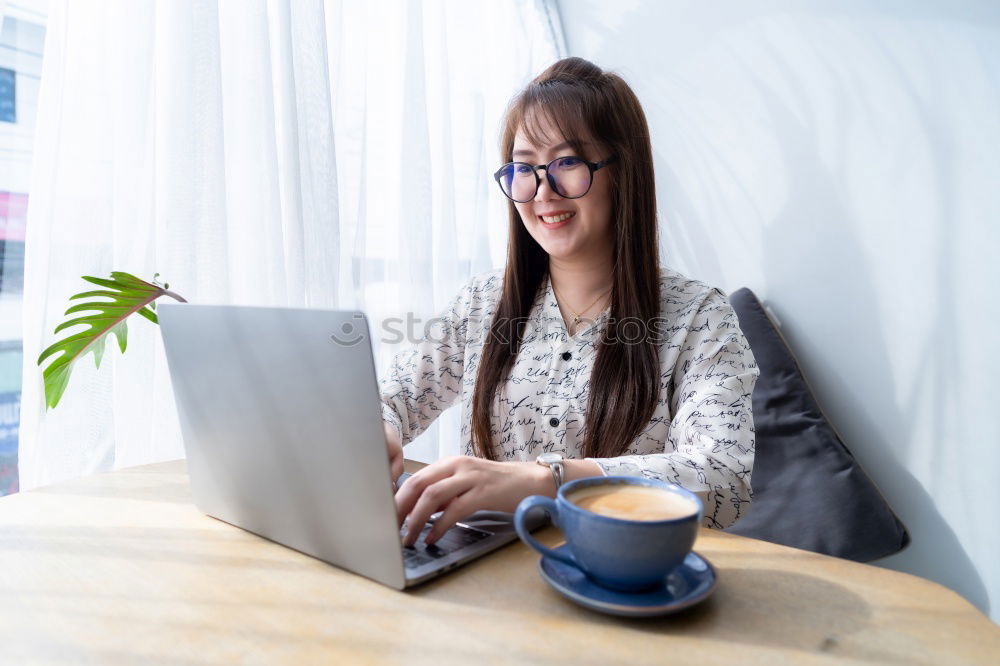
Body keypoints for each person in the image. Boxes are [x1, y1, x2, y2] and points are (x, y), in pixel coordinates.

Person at [381, 57, 759, 548]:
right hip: (480, 572)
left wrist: (548, 481)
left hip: (618, 577)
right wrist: (380, 430)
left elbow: (723, 480)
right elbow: (392, 398)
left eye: (566, 163)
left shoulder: (699, 316)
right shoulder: (482, 303)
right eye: (525, 167)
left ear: (622, 171)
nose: (542, 191)